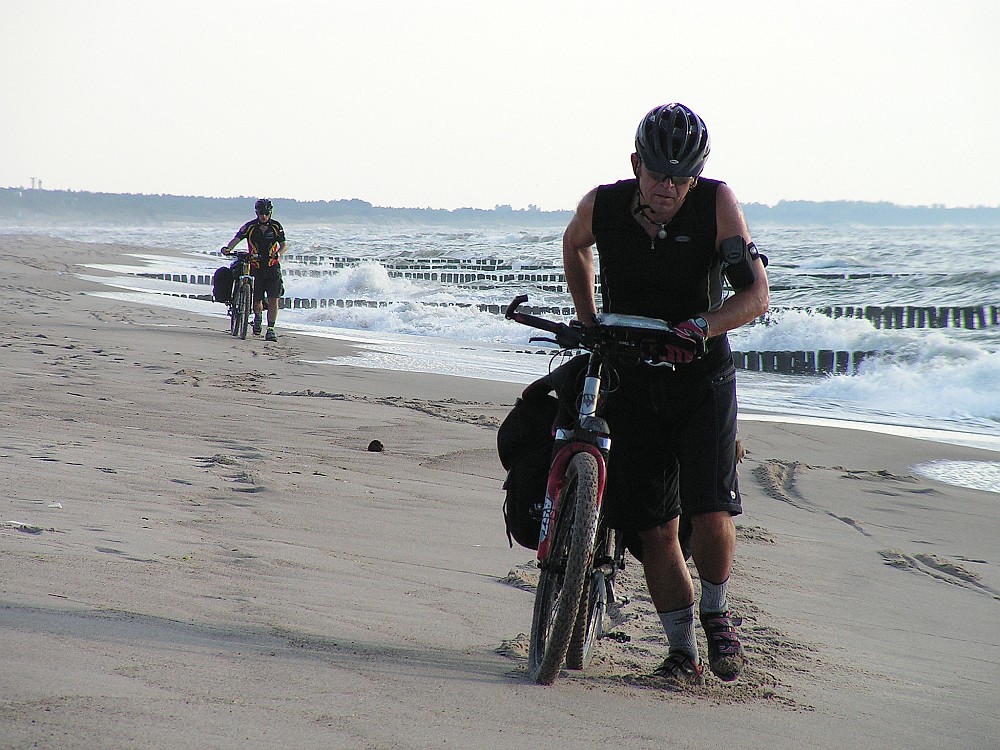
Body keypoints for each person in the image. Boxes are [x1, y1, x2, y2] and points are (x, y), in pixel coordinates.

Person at [560, 103, 770, 684]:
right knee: (654, 524)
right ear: (636, 165)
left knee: (709, 509)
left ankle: (717, 613)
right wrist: (589, 318)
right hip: (632, 375)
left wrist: (701, 325)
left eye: (682, 178)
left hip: (701, 376)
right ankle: (681, 652)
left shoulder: (717, 203)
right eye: (659, 176)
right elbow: (574, 245)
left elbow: (755, 298)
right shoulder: (602, 204)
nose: (670, 189)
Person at [221, 198, 287, 341]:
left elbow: (284, 244)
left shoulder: (276, 226)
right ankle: (257, 317)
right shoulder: (250, 227)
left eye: (266, 213)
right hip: (255, 267)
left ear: (270, 212)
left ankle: (270, 329)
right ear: (256, 212)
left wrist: (279, 253)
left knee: (273, 299)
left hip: (272, 266)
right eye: (261, 213)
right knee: (256, 300)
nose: (264, 216)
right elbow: (237, 239)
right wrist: (228, 248)